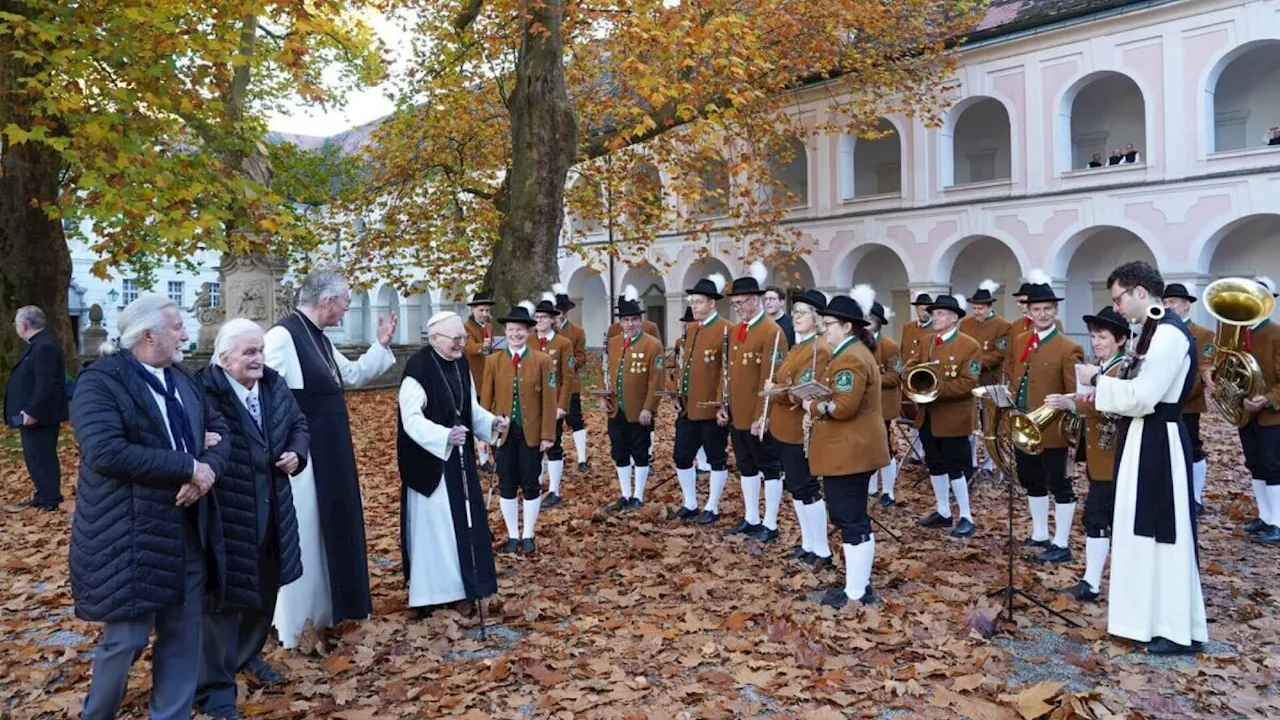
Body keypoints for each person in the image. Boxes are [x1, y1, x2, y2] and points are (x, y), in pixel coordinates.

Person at [71, 295, 231, 720]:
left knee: (183, 635)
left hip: (187, 526)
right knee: (126, 639)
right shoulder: (100, 382)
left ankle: (171, 715)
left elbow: (220, 432)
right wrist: (188, 465)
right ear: (147, 335)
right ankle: (98, 715)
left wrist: (205, 473)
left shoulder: (184, 379)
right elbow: (105, 451)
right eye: (177, 326)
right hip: (128, 532)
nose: (185, 334)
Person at [1077, 260, 1205, 654]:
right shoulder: (1151, 331)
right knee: (1138, 529)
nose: (1115, 307)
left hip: (1159, 440)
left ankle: (1174, 627)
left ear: (1140, 293)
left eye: (1118, 298)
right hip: (1143, 438)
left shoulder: (1168, 335)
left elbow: (1145, 396)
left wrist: (1097, 379)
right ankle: (1144, 620)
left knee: (1161, 530)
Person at [265, 269, 396, 649]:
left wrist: (382, 345)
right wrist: (285, 446)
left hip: (331, 448)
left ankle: (326, 613)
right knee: (306, 530)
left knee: (330, 530)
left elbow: (351, 375)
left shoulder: (317, 338)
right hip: (304, 451)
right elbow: (269, 396)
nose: (345, 311)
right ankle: (296, 624)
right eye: (344, 304)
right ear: (326, 301)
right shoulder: (283, 336)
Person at [197, 319, 309, 718]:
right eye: (249, 352)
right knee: (223, 601)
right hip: (228, 513)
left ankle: (248, 655)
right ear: (225, 358)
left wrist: (297, 452)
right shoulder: (204, 391)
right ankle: (214, 689)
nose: (258, 358)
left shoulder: (275, 385)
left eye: (259, 350)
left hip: (275, 509)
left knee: (266, 589)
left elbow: (298, 425)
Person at [398, 312, 506, 614]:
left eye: (463, 337)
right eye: (456, 338)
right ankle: (434, 595)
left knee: (463, 525)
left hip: (459, 458)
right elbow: (411, 419)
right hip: (429, 462)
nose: (462, 343)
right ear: (434, 339)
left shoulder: (460, 363)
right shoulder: (417, 367)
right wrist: (445, 436)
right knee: (438, 529)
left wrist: (491, 423)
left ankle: (465, 588)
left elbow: (469, 406)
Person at [807, 288, 888, 608]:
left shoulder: (851, 357)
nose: (823, 329)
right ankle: (858, 585)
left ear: (847, 327)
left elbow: (843, 407)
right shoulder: (850, 353)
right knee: (851, 517)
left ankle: (857, 591)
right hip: (853, 448)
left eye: (828, 324)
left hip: (851, 450)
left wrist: (814, 406)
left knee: (849, 517)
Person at [1045, 307, 1130, 601]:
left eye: (1103, 336)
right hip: (1099, 458)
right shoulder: (1103, 367)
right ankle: (1094, 581)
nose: (1096, 342)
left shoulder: (1124, 369)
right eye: (1094, 336)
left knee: (1098, 517)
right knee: (1100, 518)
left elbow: (1115, 405)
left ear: (1120, 340)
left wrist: (1073, 406)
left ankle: (1094, 583)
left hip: (1115, 459)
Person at [1004, 271, 1084, 563]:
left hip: (1052, 430)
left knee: (1058, 483)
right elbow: (1014, 374)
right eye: (1036, 309)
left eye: (1047, 309)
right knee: (1032, 481)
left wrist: (1068, 404)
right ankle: (1039, 534)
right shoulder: (1021, 339)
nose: (1042, 314)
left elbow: (1076, 394)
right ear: (1028, 311)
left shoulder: (1067, 346)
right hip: (1023, 425)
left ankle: (1061, 542)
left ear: (1055, 311)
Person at [723, 261, 790, 541]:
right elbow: (731, 374)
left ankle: (770, 523)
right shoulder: (740, 330)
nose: (737, 307)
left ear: (755, 300)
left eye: (741, 302)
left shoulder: (771, 331)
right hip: (738, 413)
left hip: (758, 415)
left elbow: (771, 380)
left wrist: (762, 415)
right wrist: (724, 405)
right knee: (746, 466)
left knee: (769, 467)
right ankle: (751, 517)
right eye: (735, 303)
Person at [482, 302, 557, 553]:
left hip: (532, 433)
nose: (515, 334)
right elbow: (485, 399)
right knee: (507, 484)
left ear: (529, 332)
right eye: (512, 330)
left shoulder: (542, 361)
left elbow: (550, 399)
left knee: (531, 483)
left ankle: (528, 534)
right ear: (506, 331)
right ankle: (513, 535)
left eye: (521, 330)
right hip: (503, 434)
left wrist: (548, 434)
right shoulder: (493, 361)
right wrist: (484, 431)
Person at [766, 288, 833, 569]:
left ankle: (822, 550)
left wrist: (775, 391)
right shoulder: (798, 345)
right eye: (794, 313)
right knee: (795, 487)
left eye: (802, 313)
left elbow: (805, 391)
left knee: (806, 488)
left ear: (817, 318)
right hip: (784, 427)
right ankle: (808, 543)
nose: (795, 317)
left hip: (800, 429)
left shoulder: (818, 349)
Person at [911, 294, 980, 538]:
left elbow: (968, 382)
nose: (935, 318)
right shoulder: (926, 341)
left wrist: (934, 390)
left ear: (953, 318)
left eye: (940, 314)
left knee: (955, 467)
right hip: (928, 415)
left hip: (953, 418)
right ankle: (942, 511)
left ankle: (966, 516)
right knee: (935, 464)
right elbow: (912, 368)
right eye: (934, 314)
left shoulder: (969, 345)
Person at [669, 274, 732, 523]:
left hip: (711, 408)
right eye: (692, 301)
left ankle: (712, 506)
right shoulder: (690, 330)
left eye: (698, 302)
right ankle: (690, 502)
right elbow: (679, 366)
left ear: (712, 304)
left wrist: (721, 403)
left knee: (716, 458)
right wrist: (675, 393)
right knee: (681, 456)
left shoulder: (726, 329)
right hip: (687, 408)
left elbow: (727, 372)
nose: (693, 306)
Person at [602, 287, 663, 510]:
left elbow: (656, 380)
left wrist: (649, 408)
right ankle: (625, 494)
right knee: (619, 451)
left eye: (635, 320)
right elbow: (606, 371)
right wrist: (603, 395)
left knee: (640, 452)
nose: (630, 324)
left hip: (639, 409)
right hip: (616, 408)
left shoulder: (652, 344)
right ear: (620, 323)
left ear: (641, 321)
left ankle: (638, 495)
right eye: (626, 320)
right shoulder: (613, 343)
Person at [5, 305, 68, 511]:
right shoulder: (38, 344)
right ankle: (43, 495)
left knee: (41, 457)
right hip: (34, 415)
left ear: (24, 325)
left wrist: (32, 410)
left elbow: (46, 384)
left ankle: (50, 499)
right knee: (35, 457)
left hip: (40, 415)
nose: (15, 327)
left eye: (16, 323)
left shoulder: (44, 346)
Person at [1234, 276, 1280, 544]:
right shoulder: (1238, 333)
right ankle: (1265, 516)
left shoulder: (1276, 332)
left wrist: (1267, 399)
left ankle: (1278, 522)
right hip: (1246, 414)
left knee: (1274, 466)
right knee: (1255, 464)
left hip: (1271, 414)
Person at [1161, 283, 1215, 516]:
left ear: (1186, 306)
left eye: (1173, 302)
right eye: (1165, 302)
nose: (1168, 306)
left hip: (1188, 403)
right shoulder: (1159, 331)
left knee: (1192, 448)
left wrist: (1179, 394)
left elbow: (1204, 367)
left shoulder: (1204, 334)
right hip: (1163, 403)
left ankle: (1195, 497)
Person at [960, 280, 1012, 478]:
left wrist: (972, 363)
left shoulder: (1003, 326)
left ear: (990, 307)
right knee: (971, 424)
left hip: (991, 380)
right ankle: (972, 462)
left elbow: (999, 354)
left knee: (991, 424)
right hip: (969, 382)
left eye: (980, 308)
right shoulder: (965, 323)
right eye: (974, 308)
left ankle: (991, 465)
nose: (976, 312)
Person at [534, 294, 577, 506]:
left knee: (553, 443)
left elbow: (567, 377)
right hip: (532, 403)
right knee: (533, 444)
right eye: (537, 317)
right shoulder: (529, 340)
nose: (539, 321)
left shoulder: (563, 343)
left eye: (543, 317)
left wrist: (562, 405)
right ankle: (536, 484)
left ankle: (554, 490)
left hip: (553, 402)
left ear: (553, 319)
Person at [552, 284, 591, 473]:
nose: (560, 315)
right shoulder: (546, 333)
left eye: (562, 311)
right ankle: (555, 455)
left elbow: (582, 357)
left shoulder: (577, 331)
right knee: (553, 423)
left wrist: (567, 363)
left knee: (575, 419)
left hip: (571, 384)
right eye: (557, 311)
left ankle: (582, 458)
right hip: (551, 386)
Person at [868, 301, 902, 506]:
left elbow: (896, 376)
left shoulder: (889, 345)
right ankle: (871, 487)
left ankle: (888, 491)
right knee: (867, 447)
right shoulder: (858, 343)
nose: (865, 323)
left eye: (870, 319)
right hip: (864, 407)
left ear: (879, 322)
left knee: (885, 448)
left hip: (884, 406)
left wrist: (872, 378)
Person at [464, 294, 498, 472]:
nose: (484, 313)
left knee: (491, 416)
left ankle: (495, 456)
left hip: (489, 378)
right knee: (479, 417)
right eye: (481, 310)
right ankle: (484, 460)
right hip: (474, 378)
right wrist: (481, 347)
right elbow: (468, 347)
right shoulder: (466, 327)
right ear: (472, 310)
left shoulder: (489, 327)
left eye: (487, 310)